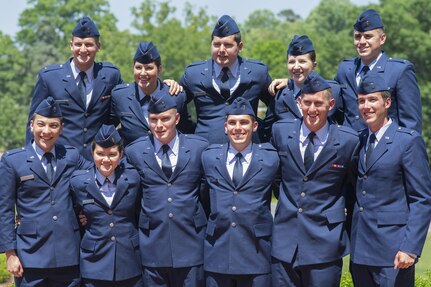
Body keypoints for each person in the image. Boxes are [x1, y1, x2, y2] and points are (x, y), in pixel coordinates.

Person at [270, 72, 359, 287]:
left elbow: (354, 190)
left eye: (318, 103)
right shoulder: (280, 132)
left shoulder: (348, 141)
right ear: (299, 102)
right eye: (307, 102)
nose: (312, 109)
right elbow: (275, 178)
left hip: (325, 242)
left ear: (331, 104)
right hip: (285, 242)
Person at [349, 74, 431, 287]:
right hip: (360, 250)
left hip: (393, 252)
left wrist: (410, 248)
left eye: (372, 100)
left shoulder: (407, 141)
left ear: (387, 102)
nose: (366, 106)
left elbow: (421, 198)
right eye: (361, 101)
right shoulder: (358, 139)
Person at [0, 97, 90, 287]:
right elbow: (5, 209)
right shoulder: (12, 161)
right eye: (41, 124)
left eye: (53, 125)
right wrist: (10, 253)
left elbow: (100, 173)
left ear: (61, 128)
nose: (46, 131)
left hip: (69, 255)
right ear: (31, 125)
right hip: (30, 256)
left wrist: (88, 211)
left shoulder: (72, 155)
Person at [125, 92, 209, 287]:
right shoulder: (134, 151)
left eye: (165, 119)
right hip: (152, 243)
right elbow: (131, 196)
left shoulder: (199, 147)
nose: (159, 125)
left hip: (191, 242)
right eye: (153, 120)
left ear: (177, 118)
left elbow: (206, 192)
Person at [201, 97, 279, 287]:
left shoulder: (270, 159)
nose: (238, 128)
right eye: (232, 123)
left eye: (244, 122)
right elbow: (203, 197)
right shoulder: (209, 157)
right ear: (225, 127)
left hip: (256, 252)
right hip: (217, 252)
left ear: (254, 126)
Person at [26, 16, 122, 160]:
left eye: (89, 44)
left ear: (98, 46)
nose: (83, 50)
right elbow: (33, 122)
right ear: (71, 45)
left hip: (98, 162)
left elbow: (128, 103)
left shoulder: (110, 75)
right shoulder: (50, 77)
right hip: (60, 161)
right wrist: (30, 160)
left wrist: (163, 87)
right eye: (78, 44)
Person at [180, 15, 273, 144]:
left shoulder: (258, 72)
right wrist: (192, 132)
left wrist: (262, 130)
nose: (221, 50)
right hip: (205, 151)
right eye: (217, 44)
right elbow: (175, 105)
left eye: (228, 45)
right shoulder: (193, 73)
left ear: (240, 46)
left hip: (248, 151)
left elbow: (276, 105)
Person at [70, 125, 142, 287]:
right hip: (94, 261)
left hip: (129, 261)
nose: (106, 160)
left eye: (112, 155)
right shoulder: (78, 182)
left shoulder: (133, 178)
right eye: (100, 154)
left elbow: (140, 210)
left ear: (121, 155)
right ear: (92, 154)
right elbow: (71, 213)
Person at [335, 9, 422, 133]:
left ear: (382, 39)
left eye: (368, 36)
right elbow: (336, 111)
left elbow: (411, 124)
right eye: (357, 37)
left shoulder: (400, 71)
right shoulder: (345, 69)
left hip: (385, 148)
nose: (362, 42)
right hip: (350, 149)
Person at [111, 41, 195, 146]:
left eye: (149, 68)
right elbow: (108, 129)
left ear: (159, 69)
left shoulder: (175, 96)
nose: (142, 73)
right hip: (132, 161)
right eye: (138, 67)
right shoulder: (120, 96)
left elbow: (186, 131)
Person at [265, 35, 343, 124]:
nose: (296, 67)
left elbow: (344, 124)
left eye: (302, 61)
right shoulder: (279, 95)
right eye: (291, 62)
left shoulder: (333, 91)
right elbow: (267, 130)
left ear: (314, 65)